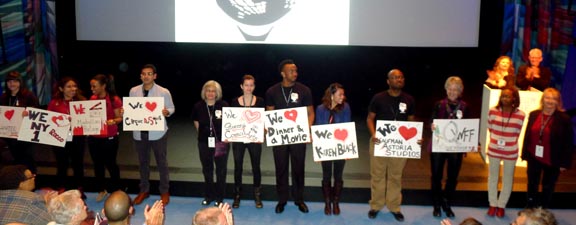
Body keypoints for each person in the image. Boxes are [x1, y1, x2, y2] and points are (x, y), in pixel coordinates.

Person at [265, 59, 314, 214]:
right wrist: (269, 128)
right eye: (291, 71)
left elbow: (310, 113)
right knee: (281, 168)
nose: (295, 73)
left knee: (299, 168)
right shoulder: (272, 91)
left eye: (296, 70)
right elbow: (270, 113)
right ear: (283, 73)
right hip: (280, 138)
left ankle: (299, 199)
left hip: (298, 137)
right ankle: (282, 199)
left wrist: (307, 129)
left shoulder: (304, 90)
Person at [366, 69, 415, 222]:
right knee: (378, 175)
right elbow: (369, 119)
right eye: (394, 77)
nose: (398, 79)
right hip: (379, 142)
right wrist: (374, 134)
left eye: (400, 77)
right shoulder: (378, 98)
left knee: (395, 176)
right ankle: (376, 205)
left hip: (399, 144)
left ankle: (394, 207)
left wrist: (415, 137)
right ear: (388, 81)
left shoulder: (409, 99)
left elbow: (411, 121)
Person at [130, 64, 175, 206]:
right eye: (143, 74)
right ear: (140, 76)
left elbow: (171, 107)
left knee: (162, 163)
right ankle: (144, 190)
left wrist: (167, 112)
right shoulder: (133, 91)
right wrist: (126, 112)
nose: (146, 76)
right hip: (139, 133)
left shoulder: (163, 91)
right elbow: (131, 108)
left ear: (154, 76)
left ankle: (164, 191)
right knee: (143, 163)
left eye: (149, 74)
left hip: (158, 133)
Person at [521, 87, 574, 208]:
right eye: (547, 97)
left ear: (558, 101)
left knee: (548, 186)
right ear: (542, 99)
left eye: (554, 98)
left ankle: (543, 211)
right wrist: (525, 154)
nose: (550, 101)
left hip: (553, 158)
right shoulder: (534, 114)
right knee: (532, 184)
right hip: (533, 156)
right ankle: (530, 209)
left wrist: (564, 163)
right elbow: (527, 135)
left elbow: (568, 142)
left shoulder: (564, 119)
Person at [429, 76, 470, 218]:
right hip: (439, 146)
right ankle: (436, 204)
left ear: (460, 91)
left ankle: (446, 202)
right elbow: (431, 121)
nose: (452, 92)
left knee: (452, 177)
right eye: (450, 89)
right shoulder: (439, 104)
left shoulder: (465, 107)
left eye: (456, 89)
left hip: (455, 148)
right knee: (436, 176)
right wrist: (432, 126)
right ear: (446, 90)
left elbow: (469, 126)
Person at [486, 87, 525, 217]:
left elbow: (517, 133)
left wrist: (507, 141)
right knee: (493, 178)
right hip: (494, 150)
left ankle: (501, 205)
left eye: (507, 96)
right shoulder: (492, 111)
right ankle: (492, 204)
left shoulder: (521, 115)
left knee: (508, 179)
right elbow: (490, 128)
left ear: (514, 98)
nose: (504, 99)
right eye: (503, 96)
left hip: (510, 151)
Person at [314, 83, 351, 215]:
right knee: (326, 176)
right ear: (332, 95)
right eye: (340, 94)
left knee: (338, 176)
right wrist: (318, 152)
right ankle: (327, 202)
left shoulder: (346, 107)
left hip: (340, 148)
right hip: (326, 149)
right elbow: (318, 128)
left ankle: (336, 202)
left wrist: (348, 149)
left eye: (343, 94)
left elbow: (347, 128)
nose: (343, 97)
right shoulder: (320, 109)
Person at [192, 80, 229, 206]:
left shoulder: (224, 105)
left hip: (220, 143)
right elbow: (196, 122)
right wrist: (203, 135)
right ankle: (208, 195)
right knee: (207, 170)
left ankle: (220, 197)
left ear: (217, 93)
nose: (211, 93)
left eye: (213, 91)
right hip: (204, 143)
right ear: (204, 92)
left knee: (221, 170)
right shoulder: (198, 106)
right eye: (208, 91)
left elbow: (229, 123)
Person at [230, 75, 265, 209]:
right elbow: (231, 122)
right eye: (246, 85)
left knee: (256, 166)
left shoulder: (260, 101)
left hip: (254, 140)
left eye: (251, 85)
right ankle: (237, 195)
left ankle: (257, 194)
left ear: (254, 86)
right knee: (238, 166)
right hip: (238, 140)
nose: (249, 88)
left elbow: (263, 120)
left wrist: (263, 132)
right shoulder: (234, 102)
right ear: (241, 86)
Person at [47, 77, 87, 193]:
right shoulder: (54, 103)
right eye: (69, 86)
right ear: (61, 89)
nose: (73, 89)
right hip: (60, 138)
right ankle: (61, 188)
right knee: (61, 164)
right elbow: (47, 119)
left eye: (74, 86)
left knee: (78, 164)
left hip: (78, 137)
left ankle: (79, 189)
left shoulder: (83, 101)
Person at [88, 74, 122, 202]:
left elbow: (120, 118)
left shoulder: (114, 99)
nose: (92, 88)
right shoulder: (92, 99)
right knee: (98, 165)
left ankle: (116, 191)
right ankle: (101, 190)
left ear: (104, 86)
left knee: (111, 164)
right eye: (91, 86)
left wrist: (113, 121)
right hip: (94, 138)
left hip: (110, 137)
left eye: (94, 86)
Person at [0, 71, 40, 173]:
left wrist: (29, 112)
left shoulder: (28, 95)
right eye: (9, 81)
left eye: (15, 81)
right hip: (10, 135)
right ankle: (18, 184)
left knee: (28, 159)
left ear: (20, 82)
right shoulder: (4, 97)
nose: (12, 84)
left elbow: (37, 112)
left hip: (25, 134)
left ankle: (32, 183)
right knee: (16, 159)